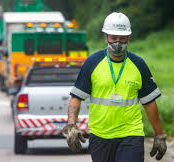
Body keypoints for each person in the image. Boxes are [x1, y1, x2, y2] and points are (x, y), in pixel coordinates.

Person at [63, 12, 167, 162]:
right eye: (113, 38)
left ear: (128, 38)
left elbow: (150, 102)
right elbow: (76, 98)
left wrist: (159, 135)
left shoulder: (139, 65)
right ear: (105, 37)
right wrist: (72, 125)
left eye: (122, 38)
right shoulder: (92, 63)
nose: (118, 43)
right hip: (100, 136)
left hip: (131, 134)